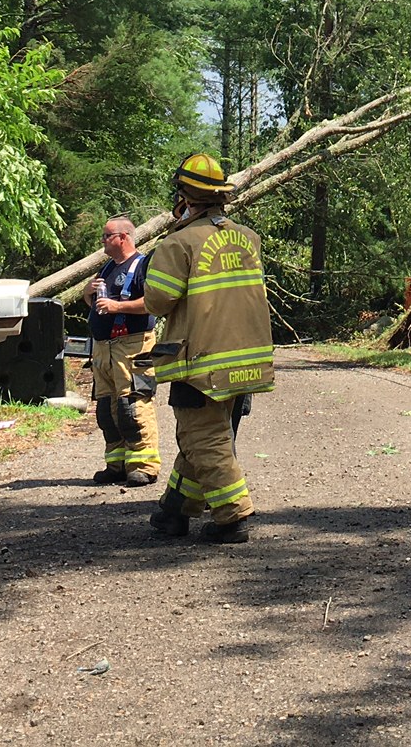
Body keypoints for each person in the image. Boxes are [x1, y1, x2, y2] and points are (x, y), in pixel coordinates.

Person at [141, 155, 274, 544]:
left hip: (198, 361)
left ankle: (232, 517)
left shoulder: (179, 242)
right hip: (244, 360)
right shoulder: (248, 238)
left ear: (184, 195)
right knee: (199, 436)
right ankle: (174, 510)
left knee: (206, 439)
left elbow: (158, 301)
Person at [84, 216, 160, 486]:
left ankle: (144, 465)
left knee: (133, 406)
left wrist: (118, 308)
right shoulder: (106, 268)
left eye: (106, 236)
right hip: (104, 349)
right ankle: (116, 464)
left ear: (122, 237)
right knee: (107, 409)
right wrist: (87, 291)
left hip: (132, 346)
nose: (102, 241)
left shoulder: (143, 265)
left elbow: (153, 302)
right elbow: (91, 301)